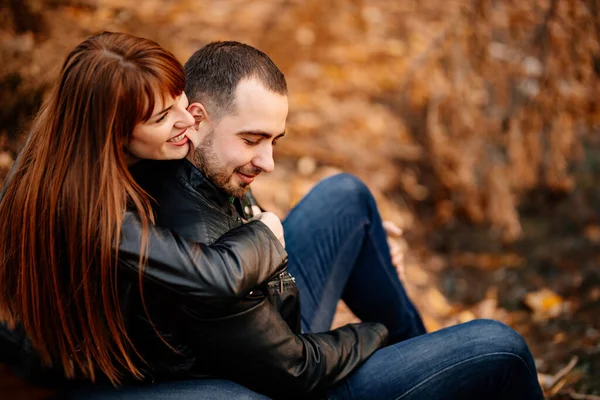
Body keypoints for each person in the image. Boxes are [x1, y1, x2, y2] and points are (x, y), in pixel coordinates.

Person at [116, 41, 545, 399]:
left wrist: (368, 254)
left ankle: (423, 359)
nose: (267, 162)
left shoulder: (186, 155)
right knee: (499, 346)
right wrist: (374, 333)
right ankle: (420, 356)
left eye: (274, 140)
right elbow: (296, 368)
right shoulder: (194, 241)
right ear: (197, 117)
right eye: (252, 139)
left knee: (346, 198)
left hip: (265, 320)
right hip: (283, 377)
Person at [0, 31, 289, 392]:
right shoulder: (85, 209)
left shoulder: (78, 143)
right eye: (162, 117)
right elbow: (215, 276)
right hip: (73, 380)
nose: (187, 121)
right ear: (116, 132)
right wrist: (266, 233)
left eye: (179, 99)